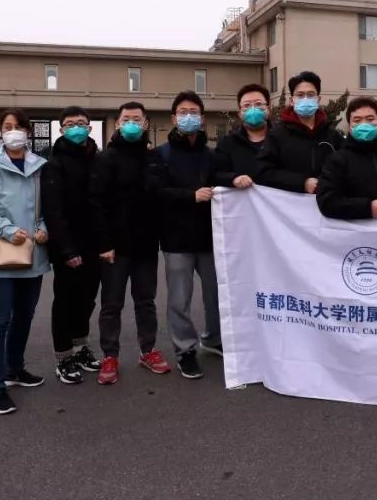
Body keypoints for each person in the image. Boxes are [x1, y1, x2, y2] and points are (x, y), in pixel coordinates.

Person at [0, 109, 50, 416]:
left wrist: (44, 228)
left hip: (33, 253)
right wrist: (8, 230)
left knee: (24, 315)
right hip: (1, 254)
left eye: (19, 126)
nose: (13, 131)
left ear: (28, 132)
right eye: (7, 126)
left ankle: (14, 368)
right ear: (0, 132)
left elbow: (46, 207)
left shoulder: (39, 166)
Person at [88, 101, 170, 385]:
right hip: (115, 247)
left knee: (146, 302)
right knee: (111, 304)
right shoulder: (105, 158)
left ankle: (148, 351)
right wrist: (103, 243)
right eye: (126, 119)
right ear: (118, 124)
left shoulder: (154, 157)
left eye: (137, 119)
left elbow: (160, 197)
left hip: (146, 244)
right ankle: (110, 356)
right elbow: (96, 204)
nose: (132, 124)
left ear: (145, 123)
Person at [148, 91, 221, 380]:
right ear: (173, 118)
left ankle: (214, 338)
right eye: (182, 112)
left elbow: (223, 184)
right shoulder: (161, 154)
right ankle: (185, 350)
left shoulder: (212, 155)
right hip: (176, 239)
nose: (188, 117)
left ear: (202, 118)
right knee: (179, 299)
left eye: (193, 112)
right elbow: (156, 192)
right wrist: (191, 196)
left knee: (216, 294)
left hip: (211, 238)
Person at [42, 106, 102, 385]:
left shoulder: (97, 159)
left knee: (87, 300)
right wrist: (67, 249)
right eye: (70, 124)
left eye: (81, 123)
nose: (76, 127)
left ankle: (81, 347)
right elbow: (53, 210)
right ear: (61, 129)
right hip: (68, 247)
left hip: (94, 245)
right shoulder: (54, 163)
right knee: (65, 301)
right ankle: (63, 356)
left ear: (89, 127)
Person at [317, 96, 377, 220]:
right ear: (350, 126)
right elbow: (327, 202)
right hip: (354, 231)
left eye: (370, 119)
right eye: (357, 120)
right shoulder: (337, 160)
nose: (364, 124)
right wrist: (367, 208)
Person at [254, 70, 344, 193]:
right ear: (292, 100)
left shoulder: (332, 136)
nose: (305, 99)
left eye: (311, 95)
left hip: (326, 202)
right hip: (289, 203)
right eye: (300, 95)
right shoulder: (277, 135)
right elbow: (263, 172)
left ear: (318, 99)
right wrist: (302, 182)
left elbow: (345, 169)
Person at [214, 83, 271, 190]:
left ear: (268, 109)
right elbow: (216, 174)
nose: (253, 109)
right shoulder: (227, 144)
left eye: (258, 104)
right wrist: (234, 179)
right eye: (247, 105)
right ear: (240, 113)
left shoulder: (282, 139)